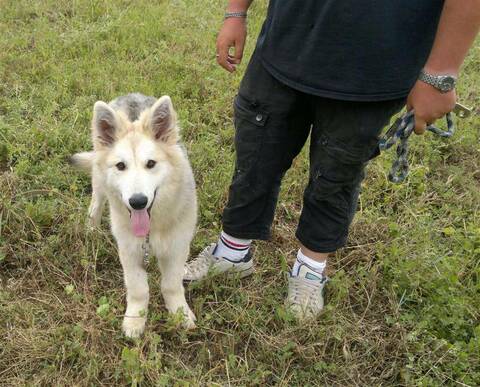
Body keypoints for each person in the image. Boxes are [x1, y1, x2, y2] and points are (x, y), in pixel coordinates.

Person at [184, 1, 480, 318]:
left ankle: (310, 269)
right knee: (256, 152)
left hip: (377, 64)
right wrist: (236, 12)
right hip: (286, 43)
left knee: (337, 172)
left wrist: (441, 74)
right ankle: (231, 253)